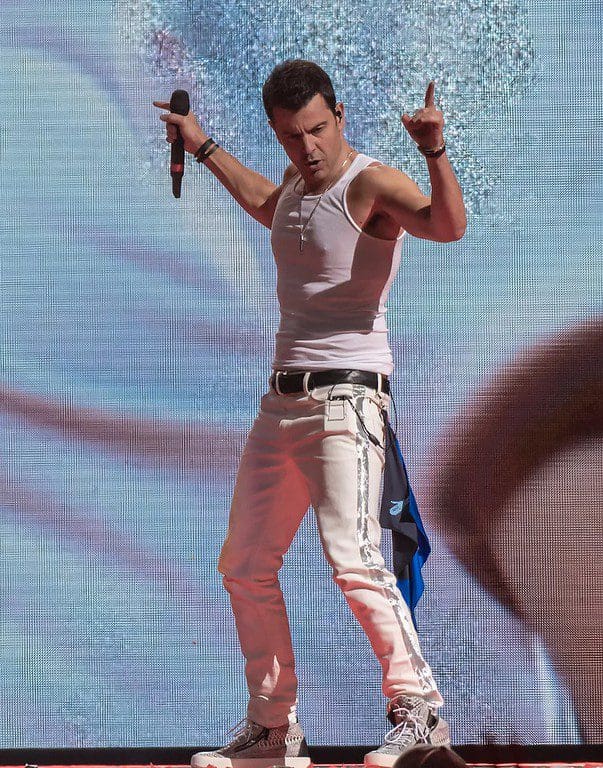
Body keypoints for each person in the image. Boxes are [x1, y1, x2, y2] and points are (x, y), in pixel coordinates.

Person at [154, 59, 466, 768]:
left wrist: (434, 150)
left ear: (340, 115)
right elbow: (268, 203)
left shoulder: (372, 183)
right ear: (277, 132)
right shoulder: (296, 185)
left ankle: (420, 711)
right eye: (292, 137)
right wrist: (202, 145)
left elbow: (446, 226)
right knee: (243, 564)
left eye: (318, 130)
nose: (308, 147)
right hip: (281, 404)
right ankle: (273, 729)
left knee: (354, 558)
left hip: (346, 400)